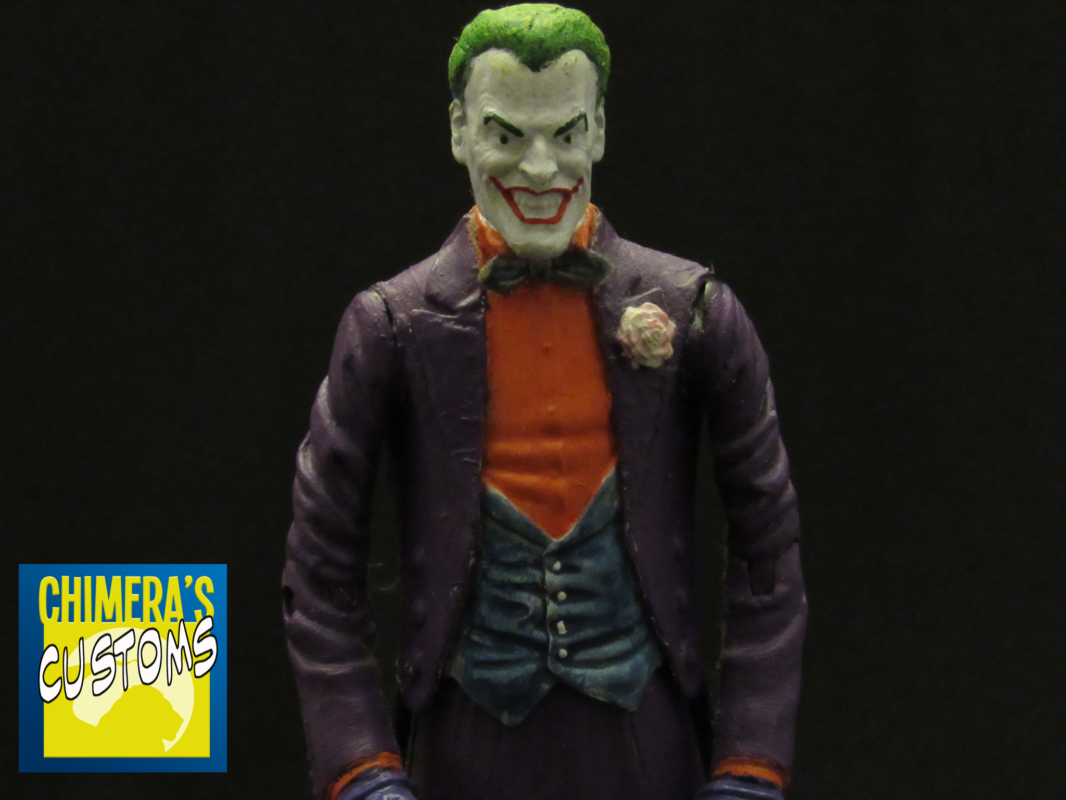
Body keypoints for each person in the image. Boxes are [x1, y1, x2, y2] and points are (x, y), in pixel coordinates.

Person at [282, 5, 806, 800]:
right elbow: (320, 570)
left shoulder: (693, 308)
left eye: (566, 134)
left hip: (647, 747)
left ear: (600, 131)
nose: (538, 167)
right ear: (459, 132)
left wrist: (749, 764)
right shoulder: (392, 326)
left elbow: (767, 552)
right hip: (462, 749)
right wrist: (362, 767)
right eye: (506, 135)